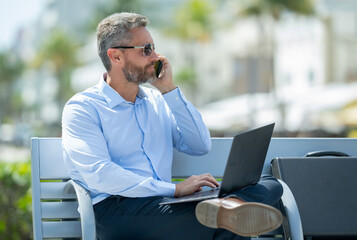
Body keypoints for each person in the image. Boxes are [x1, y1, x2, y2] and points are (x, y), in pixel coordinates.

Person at [62, 12, 283, 240]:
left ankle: (227, 209)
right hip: (117, 210)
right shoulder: (83, 108)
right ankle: (228, 210)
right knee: (227, 225)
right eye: (146, 49)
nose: (156, 57)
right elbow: (101, 175)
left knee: (270, 184)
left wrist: (169, 90)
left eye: (154, 47)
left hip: (165, 205)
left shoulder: (157, 100)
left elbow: (199, 145)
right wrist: (175, 189)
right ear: (116, 56)